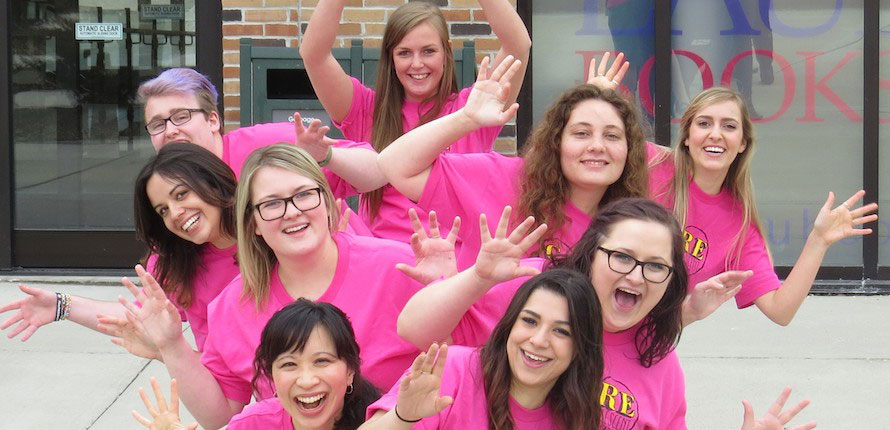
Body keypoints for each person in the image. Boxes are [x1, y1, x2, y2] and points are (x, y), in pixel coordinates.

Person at [396, 198, 816, 429]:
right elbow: (414, 329)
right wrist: (473, 278)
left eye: (655, 266)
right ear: (590, 254)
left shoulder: (660, 360)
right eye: (621, 257)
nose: (636, 274)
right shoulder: (535, 289)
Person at [121, 144, 443, 429]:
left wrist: (452, 289)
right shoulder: (233, 307)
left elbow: (460, 360)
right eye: (272, 204)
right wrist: (172, 345)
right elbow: (219, 414)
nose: (292, 212)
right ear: (254, 224)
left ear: (326, 202)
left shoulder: (399, 267)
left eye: (304, 194)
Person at [377, 56, 648, 270]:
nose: (597, 146)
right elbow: (394, 165)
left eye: (612, 135)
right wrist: (466, 119)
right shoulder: (506, 181)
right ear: (556, 142)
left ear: (629, 150)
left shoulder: (631, 224)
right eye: (581, 133)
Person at [299, 0, 531, 242]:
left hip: (460, 267)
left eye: (428, 51)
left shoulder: (473, 109)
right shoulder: (364, 109)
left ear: (446, 53)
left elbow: (518, 45)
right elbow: (314, 56)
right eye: (404, 53)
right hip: (387, 263)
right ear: (391, 57)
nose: (417, 64)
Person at [647, 86, 878, 326]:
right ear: (686, 137)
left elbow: (780, 310)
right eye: (704, 123)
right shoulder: (650, 163)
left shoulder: (739, 228)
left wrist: (818, 241)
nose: (715, 134)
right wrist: (603, 95)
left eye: (729, 126)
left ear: (742, 143)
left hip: (650, 342)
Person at [0, 144, 239, 356]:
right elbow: (138, 318)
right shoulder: (177, 264)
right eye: (163, 210)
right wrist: (62, 306)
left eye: (181, 194)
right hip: (228, 398)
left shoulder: (267, 236)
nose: (175, 213)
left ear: (212, 182)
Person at [361, 268, 603, 430]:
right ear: (509, 325)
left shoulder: (576, 419)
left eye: (561, 331)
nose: (539, 340)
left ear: (580, 347)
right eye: (529, 321)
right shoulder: (456, 369)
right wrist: (404, 416)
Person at [137, 68, 384, 199]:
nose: (170, 131)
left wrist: (326, 156)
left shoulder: (266, 146)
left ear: (213, 120)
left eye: (181, 117)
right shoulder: (163, 190)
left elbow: (377, 171)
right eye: (158, 124)